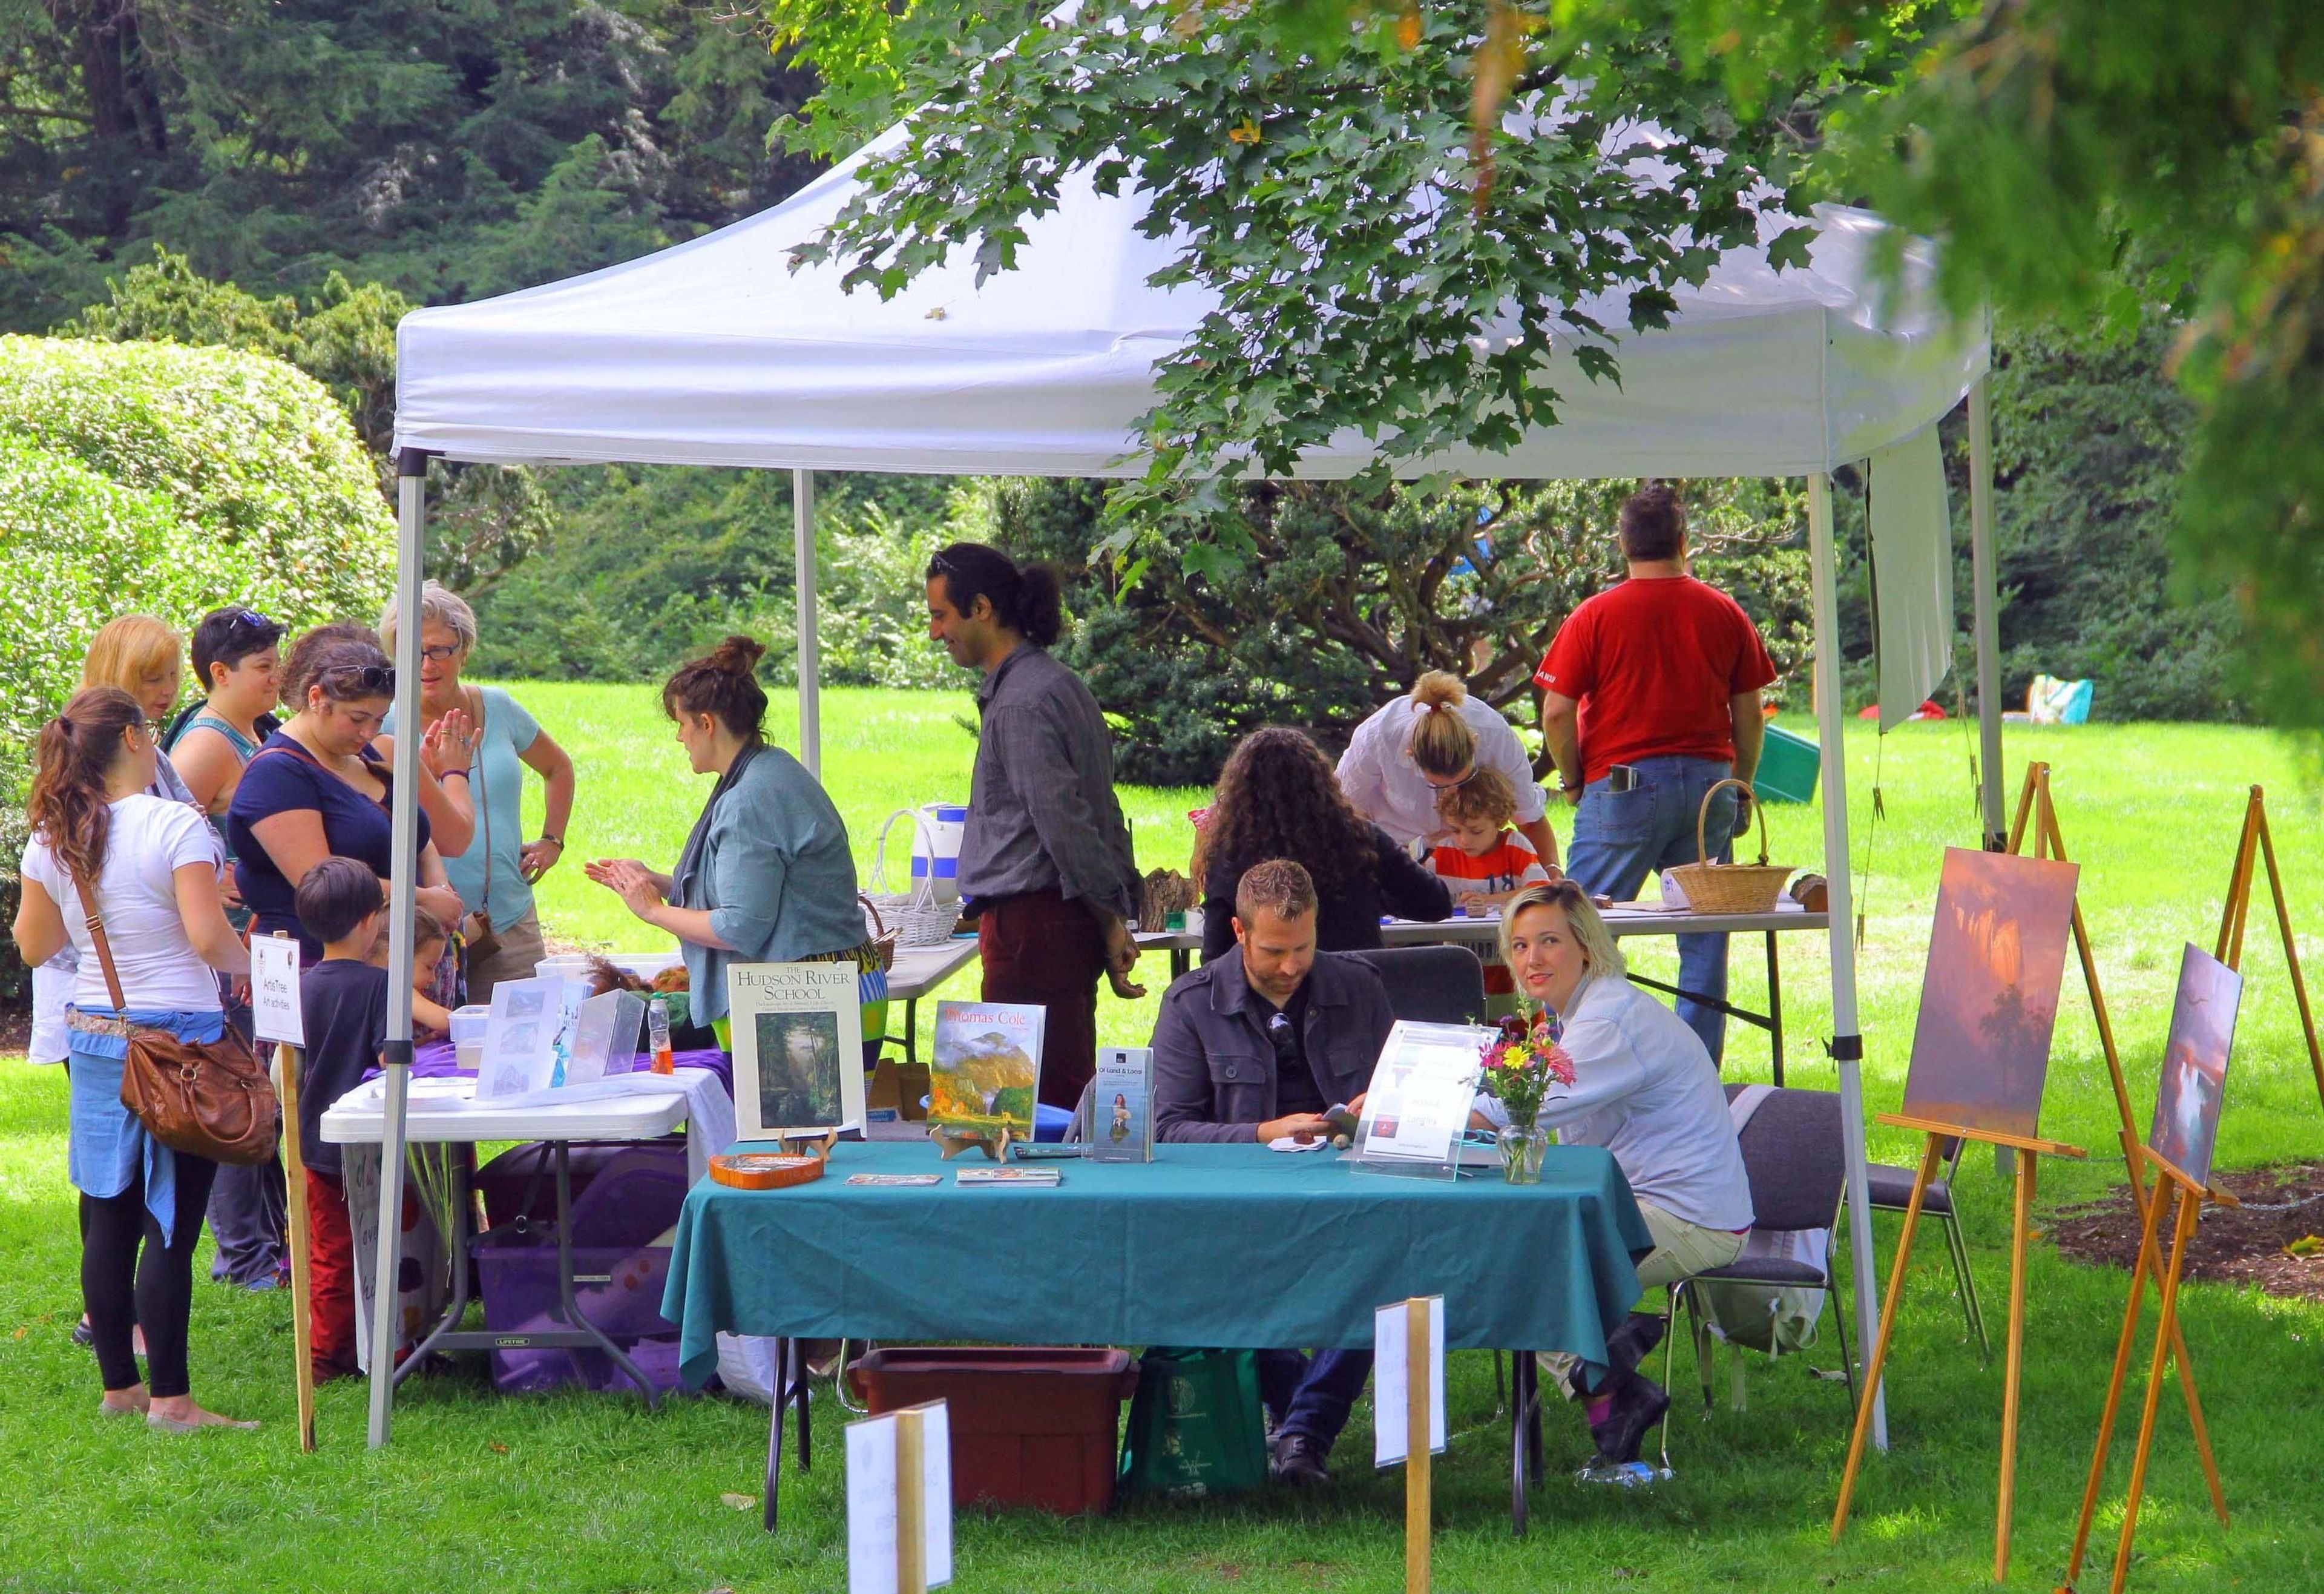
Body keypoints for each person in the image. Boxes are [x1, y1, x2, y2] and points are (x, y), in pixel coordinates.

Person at [10, 687, 256, 1431]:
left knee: (108, 1216)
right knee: (172, 1227)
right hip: (180, 1036)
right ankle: (174, 1398)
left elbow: (33, 946)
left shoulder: (54, 836)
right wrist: (262, 972)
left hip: (93, 1034)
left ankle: (121, 1387)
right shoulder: (176, 823)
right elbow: (209, 937)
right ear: (134, 737)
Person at [1478, 880, 1754, 1469]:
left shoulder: (1608, 1021)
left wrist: (1422, 1108)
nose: (1533, 958)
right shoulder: (1575, 1016)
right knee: (1525, 1255)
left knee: (1534, 1274)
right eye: (1520, 945)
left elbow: (1530, 1104)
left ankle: (1607, 1386)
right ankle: (1612, 1365)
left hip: (1692, 1219)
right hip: (1637, 1202)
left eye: (1549, 940)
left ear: (1586, 943)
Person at [1151, 860, 1396, 1486]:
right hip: (1238, 1206)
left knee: (1389, 1262)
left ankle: (1303, 1428)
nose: (1291, 965)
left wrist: (1384, 1107)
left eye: (1304, 947)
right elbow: (1168, 1127)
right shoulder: (1191, 1003)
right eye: (1274, 951)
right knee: (1218, 1271)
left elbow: (1406, 1095)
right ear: (1237, 929)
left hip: (1350, 1196)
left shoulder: (1359, 986)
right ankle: (1300, 1424)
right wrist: (1262, 1132)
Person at [1535, 483, 1777, 1064]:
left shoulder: (1596, 614)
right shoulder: (1724, 611)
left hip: (1624, 785)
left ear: (1622, 543)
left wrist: (1572, 779)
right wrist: (1738, 786)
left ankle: (1573, 1068)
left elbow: (1557, 712)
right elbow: (1748, 713)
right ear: (1685, 542)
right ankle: (1693, 1075)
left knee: (1576, 928)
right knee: (1703, 942)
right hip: (1708, 785)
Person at [583, 636, 885, 1057]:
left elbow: (741, 926)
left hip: (810, 1006)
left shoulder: (751, 799)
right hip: (831, 991)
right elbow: (756, 891)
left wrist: (653, 909)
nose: (679, 738)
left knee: (805, 1129)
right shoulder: (771, 767)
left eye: (682, 723)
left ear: (707, 723)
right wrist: (657, 880)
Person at [925, 542, 1143, 1112]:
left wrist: (1111, 918)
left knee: (1013, 1116)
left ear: (981, 608)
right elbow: (1098, 811)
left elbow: (1066, 825)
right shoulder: (1055, 684)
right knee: (1053, 1096)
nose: (933, 632)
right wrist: (1110, 916)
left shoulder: (1022, 702)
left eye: (940, 615)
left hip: (1033, 930)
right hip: (1050, 927)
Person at [163, 605, 293, 1291]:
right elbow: (172, 845)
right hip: (228, 959)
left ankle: (267, 1246)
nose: (278, 677)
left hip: (259, 948)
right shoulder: (207, 743)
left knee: (267, 1099)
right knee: (236, 1103)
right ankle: (241, 1257)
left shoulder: (256, 728)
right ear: (220, 672)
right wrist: (222, 894)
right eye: (264, 667)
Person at [377, 581, 577, 1002]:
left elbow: (558, 767)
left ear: (463, 649)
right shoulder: (382, 725)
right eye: (412, 651)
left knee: (529, 1039)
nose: (426, 663)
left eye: (439, 650)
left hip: (508, 918)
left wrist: (552, 841)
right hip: (420, 933)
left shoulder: (498, 706)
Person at [228, 632, 465, 962]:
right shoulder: (277, 774)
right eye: (356, 719)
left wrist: (440, 891)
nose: (369, 732)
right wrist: (422, 899)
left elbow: (417, 835)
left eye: (379, 720)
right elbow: (325, 882)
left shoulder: (363, 754)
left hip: (399, 957)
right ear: (316, 698)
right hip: (318, 967)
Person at [1196, 727, 1451, 963]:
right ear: (1320, 783)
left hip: (1270, 1000)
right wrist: (1374, 896)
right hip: (1355, 993)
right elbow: (1436, 902)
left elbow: (1214, 955)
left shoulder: (1230, 855)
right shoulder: (1362, 839)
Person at [290, 857, 393, 1383]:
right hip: (369, 1140)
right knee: (386, 1242)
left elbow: (286, 1068)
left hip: (314, 1142)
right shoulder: (380, 985)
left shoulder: (301, 986)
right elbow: (386, 1060)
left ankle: (327, 1351)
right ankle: (389, 1346)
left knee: (330, 1251)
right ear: (369, 922)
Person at [1336, 671, 1560, 866]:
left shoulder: (1496, 736)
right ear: (1411, 754)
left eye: (1464, 781)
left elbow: (1529, 818)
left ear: (1475, 742)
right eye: (1436, 785)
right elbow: (1342, 811)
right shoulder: (1378, 737)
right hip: (1397, 854)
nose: (1451, 794)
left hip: (1475, 859)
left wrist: (1552, 874)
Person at [1424, 766, 1553, 1015]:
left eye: (1476, 831)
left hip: (1512, 972)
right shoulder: (1445, 852)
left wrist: (1487, 900)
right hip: (1463, 972)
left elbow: (1541, 891)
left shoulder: (1514, 846)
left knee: (1519, 1037)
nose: (1464, 841)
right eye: (1455, 830)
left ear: (1499, 821)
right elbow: (1421, 894)